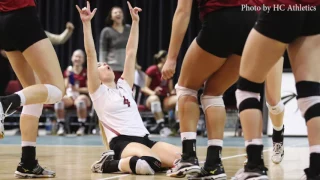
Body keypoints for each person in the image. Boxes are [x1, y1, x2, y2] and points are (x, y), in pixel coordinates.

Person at [161, 0, 285, 179]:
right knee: (213, 93)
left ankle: (188, 158)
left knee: (186, 87)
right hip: (254, 24)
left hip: (222, 18)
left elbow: (182, 11)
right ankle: (213, 165)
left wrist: (171, 57)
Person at [76, 1, 181, 175]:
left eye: (105, 63)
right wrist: (86, 24)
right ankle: (108, 164)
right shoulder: (98, 92)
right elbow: (90, 53)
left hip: (144, 139)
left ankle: (140, 160)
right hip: (123, 143)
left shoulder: (124, 86)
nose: (105, 64)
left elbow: (131, 52)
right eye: (100, 65)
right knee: (149, 164)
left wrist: (135, 22)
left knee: (183, 159)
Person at [232, 1, 320, 179]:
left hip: (281, 9)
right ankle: (316, 167)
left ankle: (254, 165)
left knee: (248, 90)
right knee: (309, 94)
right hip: (312, 9)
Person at [0, 0, 65, 178]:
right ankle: (4, 104)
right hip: (22, 16)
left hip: (4, 23)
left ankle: (27, 163)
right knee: (57, 90)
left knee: (33, 93)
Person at [54, 49, 91, 136]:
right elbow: (64, 88)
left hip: (83, 97)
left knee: (81, 102)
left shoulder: (86, 72)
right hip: (70, 97)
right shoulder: (68, 72)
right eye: (75, 56)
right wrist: (68, 77)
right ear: (72, 58)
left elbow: (89, 89)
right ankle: (61, 126)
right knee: (59, 101)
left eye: (80, 57)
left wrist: (78, 90)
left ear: (83, 59)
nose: (77, 59)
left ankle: (82, 126)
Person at [141, 50, 178, 134]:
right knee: (155, 99)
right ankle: (161, 125)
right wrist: (153, 92)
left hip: (165, 99)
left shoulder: (169, 70)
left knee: (179, 98)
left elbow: (170, 89)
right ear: (162, 59)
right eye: (168, 57)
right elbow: (144, 88)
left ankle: (177, 125)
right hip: (150, 98)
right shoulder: (152, 70)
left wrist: (174, 91)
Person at [99, 6, 130, 82]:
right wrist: (103, 66)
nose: (118, 14)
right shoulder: (106, 31)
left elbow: (132, 48)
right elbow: (103, 51)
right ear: (111, 17)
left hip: (127, 67)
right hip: (113, 67)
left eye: (120, 12)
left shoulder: (129, 29)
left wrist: (135, 64)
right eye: (115, 12)